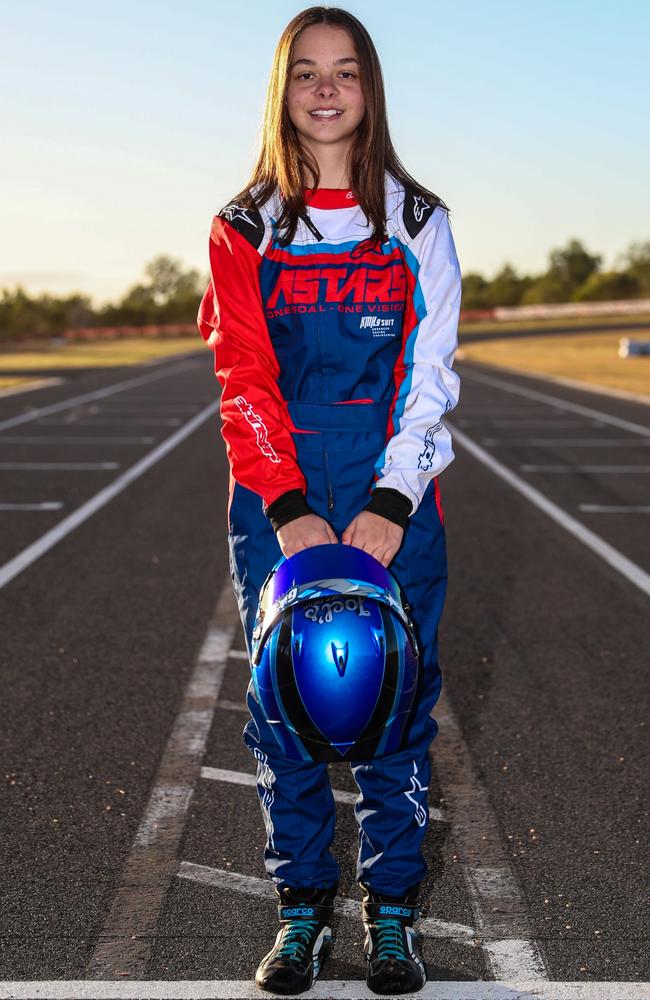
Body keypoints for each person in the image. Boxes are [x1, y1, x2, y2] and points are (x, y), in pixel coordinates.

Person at [197, 6, 462, 995]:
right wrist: (286, 506)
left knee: (393, 694)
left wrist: (391, 499)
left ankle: (390, 909)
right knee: (285, 706)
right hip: (280, 489)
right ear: (281, 90)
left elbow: (428, 378)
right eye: (304, 71)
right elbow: (242, 377)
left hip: (393, 488)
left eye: (343, 71)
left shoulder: (418, 221)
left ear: (368, 89)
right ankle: (299, 909)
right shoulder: (242, 225)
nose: (323, 88)